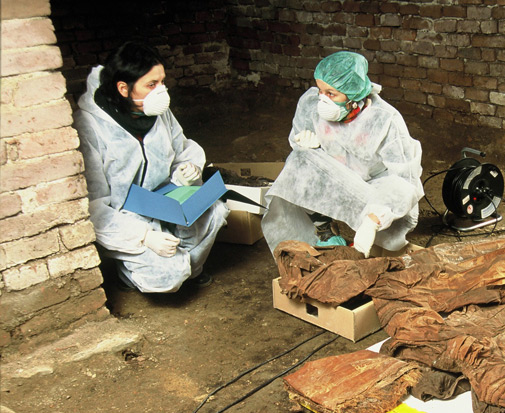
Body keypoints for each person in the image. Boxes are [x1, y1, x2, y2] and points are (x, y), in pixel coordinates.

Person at [74, 42, 229, 293]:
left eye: (162, 82)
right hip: (127, 215)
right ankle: (131, 274)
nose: (161, 91)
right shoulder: (91, 125)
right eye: (151, 84)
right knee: (168, 279)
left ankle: (188, 267)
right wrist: (144, 236)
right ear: (123, 89)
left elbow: (181, 147)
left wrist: (187, 167)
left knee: (216, 211)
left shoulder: (155, 109)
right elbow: (94, 205)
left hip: (168, 199)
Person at [261, 51, 424, 258]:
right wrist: (308, 144)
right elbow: (299, 142)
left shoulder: (384, 120)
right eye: (321, 91)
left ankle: (372, 229)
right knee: (299, 161)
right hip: (339, 177)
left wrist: (374, 220)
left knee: (386, 223)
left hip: (376, 188)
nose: (322, 99)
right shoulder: (311, 104)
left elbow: (405, 181)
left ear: (354, 96)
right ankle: (325, 231)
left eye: (331, 94)